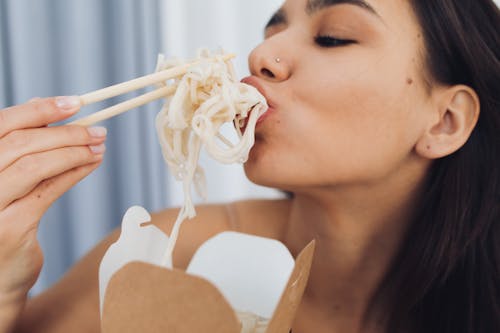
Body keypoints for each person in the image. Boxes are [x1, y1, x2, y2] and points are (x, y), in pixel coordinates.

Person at [1, 0, 498, 332]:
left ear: (446, 122)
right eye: (273, 30)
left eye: (333, 37)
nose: (262, 54)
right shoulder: (168, 255)